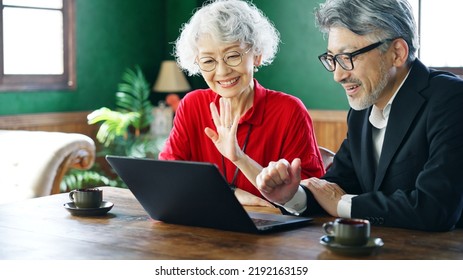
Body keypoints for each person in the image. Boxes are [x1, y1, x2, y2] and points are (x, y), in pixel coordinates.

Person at [256, 0, 463, 231]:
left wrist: (343, 204)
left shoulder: (451, 98)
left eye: (348, 58)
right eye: (333, 59)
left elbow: (435, 209)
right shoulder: (362, 112)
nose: (338, 75)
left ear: (397, 53)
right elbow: (336, 184)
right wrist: (292, 196)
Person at [159, 0, 324, 207]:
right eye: (209, 61)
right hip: (203, 230)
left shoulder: (289, 111)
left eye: (233, 56)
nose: (222, 72)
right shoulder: (192, 105)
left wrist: (240, 159)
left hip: (273, 235)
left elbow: (311, 196)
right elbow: (168, 177)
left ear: (257, 55)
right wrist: (231, 193)